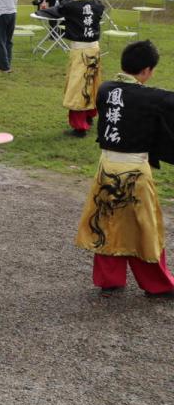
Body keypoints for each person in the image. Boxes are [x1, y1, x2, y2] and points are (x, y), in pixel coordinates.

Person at [74, 40, 174, 296]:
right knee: (145, 227)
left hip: (106, 166)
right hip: (135, 171)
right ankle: (158, 284)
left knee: (106, 220)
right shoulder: (153, 98)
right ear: (147, 70)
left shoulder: (105, 89)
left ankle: (109, 279)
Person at [54, 0, 104, 137]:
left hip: (80, 50)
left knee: (77, 87)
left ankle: (80, 126)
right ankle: (90, 115)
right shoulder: (98, 4)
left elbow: (58, 10)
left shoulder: (71, 5)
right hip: (94, 49)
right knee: (92, 83)